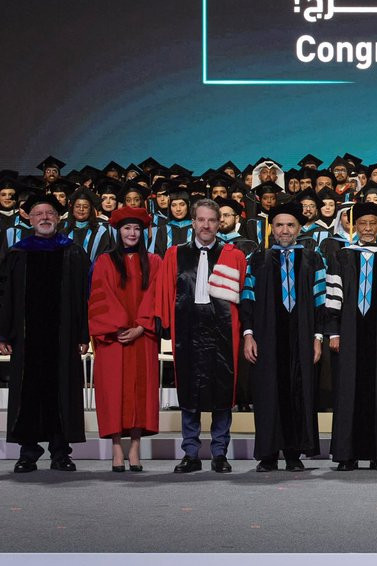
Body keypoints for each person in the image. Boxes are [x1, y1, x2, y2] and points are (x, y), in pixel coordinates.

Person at [148, 198, 247, 474]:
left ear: (219, 223)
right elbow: (166, 291)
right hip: (187, 329)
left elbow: (242, 295)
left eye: (211, 220)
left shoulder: (233, 255)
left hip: (222, 331)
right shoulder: (174, 254)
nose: (206, 225)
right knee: (189, 392)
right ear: (193, 222)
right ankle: (190, 453)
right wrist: (166, 326)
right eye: (201, 220)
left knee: (222, 391)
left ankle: (219, 453)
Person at [1, 195, 90, 473]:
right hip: (26, 339)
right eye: (38, 214)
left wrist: (83, 334)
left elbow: (84, 296)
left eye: (50, 213)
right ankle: (28, 453)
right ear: (29, 219)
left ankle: (60, 452)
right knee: (28, 392)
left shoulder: (73, 252)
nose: (44, 218)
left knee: (61, 391)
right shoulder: (17, 253)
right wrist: (3, 334)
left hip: (63, 338)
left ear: (58, 217)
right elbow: (5, 296)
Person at [241, 203, 327, 472]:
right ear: (272, 228)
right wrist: (248, 334)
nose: (285, 230)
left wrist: (317, 337)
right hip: (267, 336)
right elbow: (247, 299)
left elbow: (320, 301)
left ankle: (293, 453)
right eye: (279, 225)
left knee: (299, 392)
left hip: (302, 335)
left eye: (290, 225)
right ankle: (267, 454)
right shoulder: (258, 259)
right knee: (268, 393)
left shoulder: (313, 259)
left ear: (299, 228)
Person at [324, 201, 377, 470]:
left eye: (373, 224)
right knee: (348, 390)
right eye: (362, 224)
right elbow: (333, 296)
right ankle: (347, 454)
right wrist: (333, 332)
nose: (368, 228)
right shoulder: (341, 256)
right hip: (349, 332)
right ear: (354, 226)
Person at [88, 206, 161, 472]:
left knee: (140, 390)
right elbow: (100, 297)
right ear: (118, 232)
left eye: (137, 229)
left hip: (143, 336)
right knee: (113, 391)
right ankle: (117, 448)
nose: (132, 233)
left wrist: (141, 326)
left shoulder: (154, 261)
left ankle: (135, 448)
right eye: (127, 228)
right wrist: (117, 326)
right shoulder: (104, 261)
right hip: (113, 338)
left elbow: (156, 296)